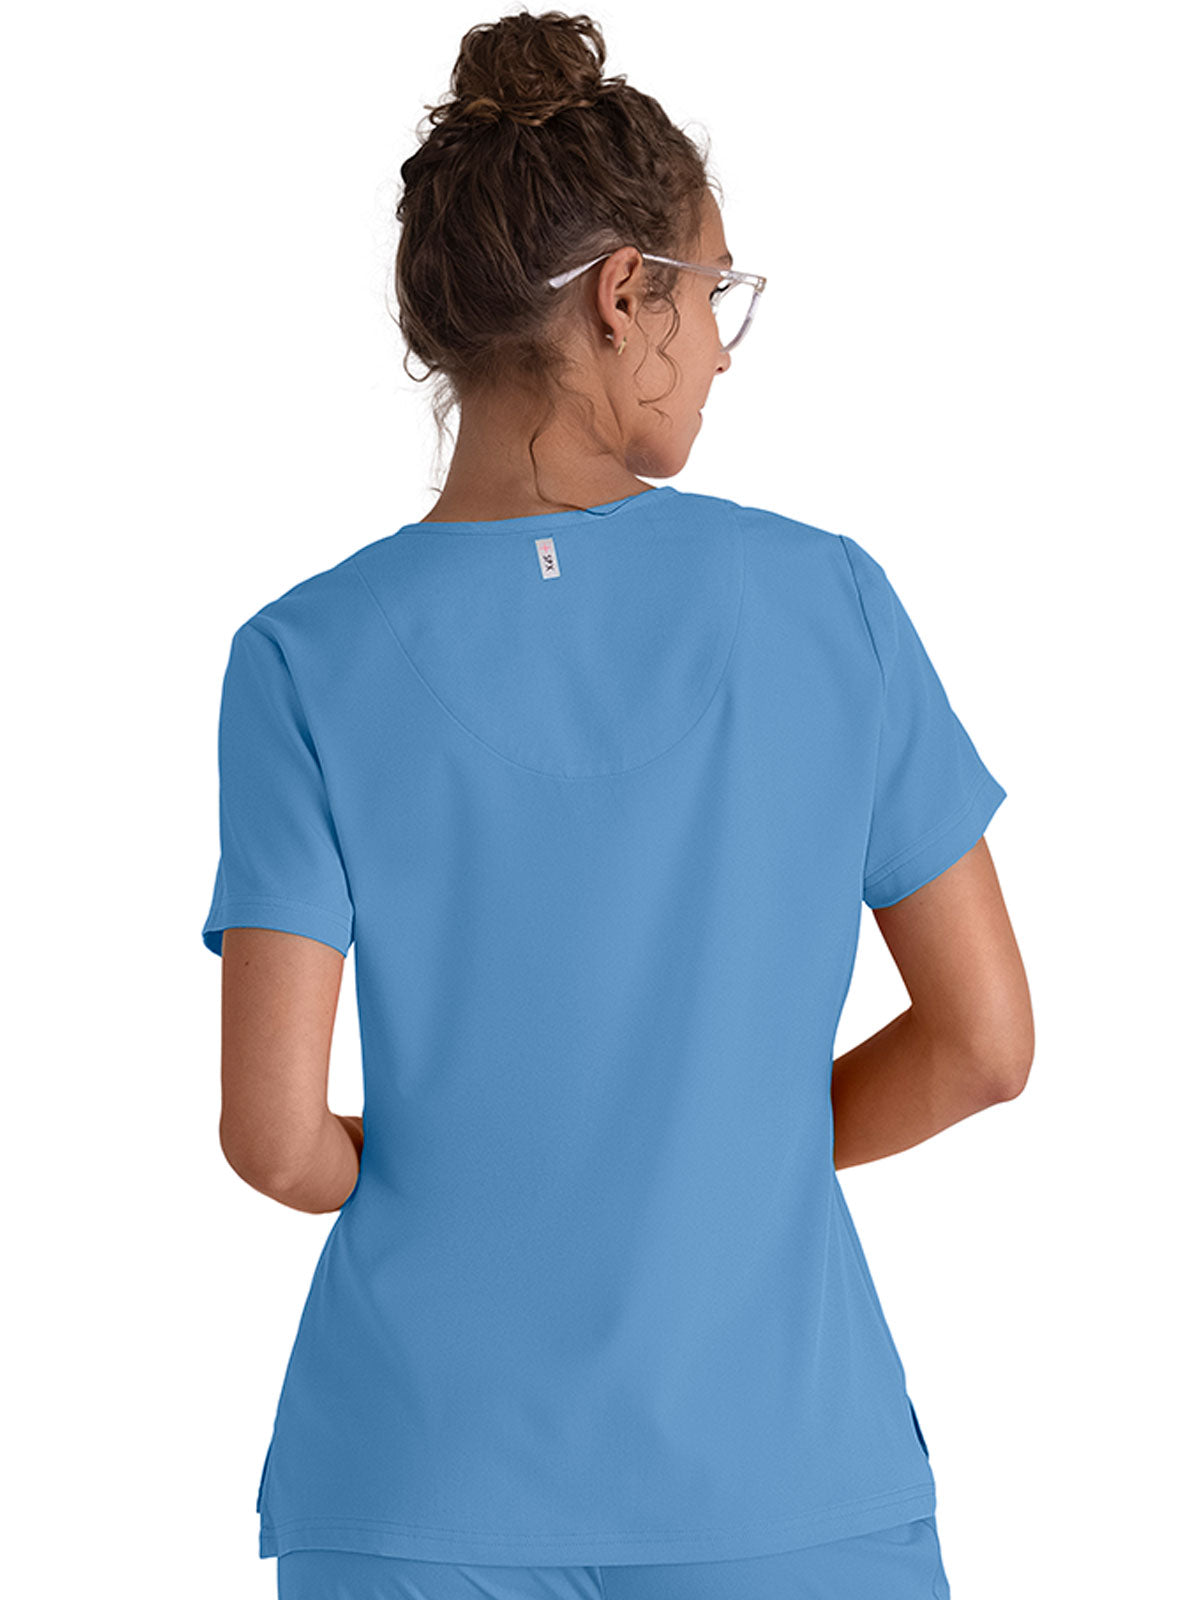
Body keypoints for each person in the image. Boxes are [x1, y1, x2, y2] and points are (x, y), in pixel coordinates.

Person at [201, 10, 1034, 1600]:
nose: (717, 347)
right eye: (711, 296)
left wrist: (454, 1166)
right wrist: (724, 1161)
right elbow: (985, 1045)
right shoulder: (829, 605)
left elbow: (274, 1138)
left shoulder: (304, 656)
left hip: (417, 1485)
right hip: (784, 1480)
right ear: (624, 295)